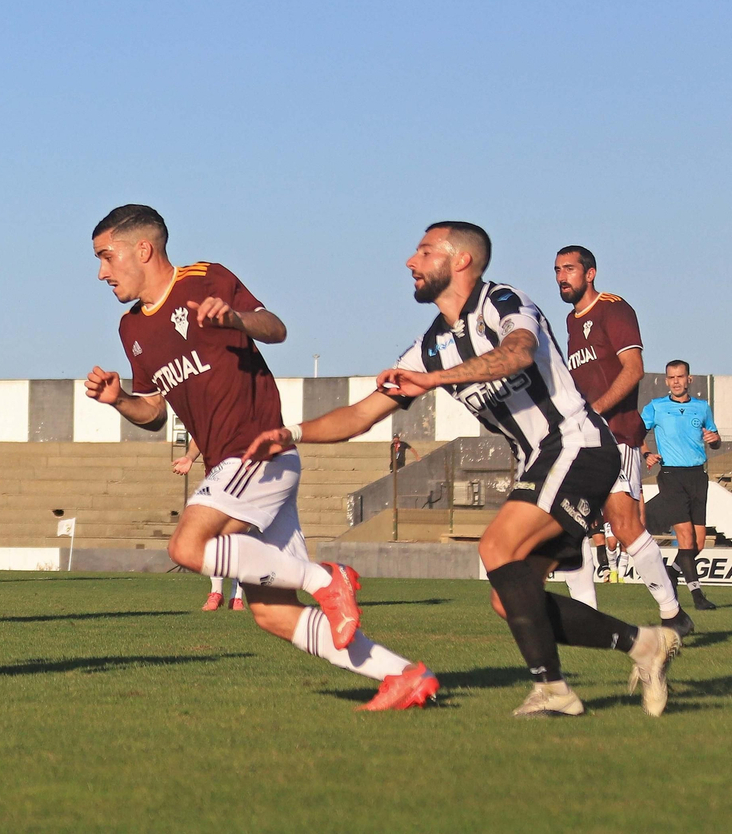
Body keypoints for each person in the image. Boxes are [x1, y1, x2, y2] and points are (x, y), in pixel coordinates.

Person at [249, 222, 679, 717]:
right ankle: (645, 644)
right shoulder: (429, 346)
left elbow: (516, 352)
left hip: (578, 445)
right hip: (542, 459)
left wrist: (430, 381)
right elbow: (361, 414)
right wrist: (291, 433)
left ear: (460, 261)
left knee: (495, 547)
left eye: (424, 251)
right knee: (511, 601)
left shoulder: (502, 303)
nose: (410, 262)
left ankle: (554, 690)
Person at [87, 204, 435, 711]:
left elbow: (275, 327)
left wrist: (236, 319)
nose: (101, 272)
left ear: (143, 249)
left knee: (188, 547)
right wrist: (119, 400)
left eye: (106, 256)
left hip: (255, 449)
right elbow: (156, 415)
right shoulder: (132, 329)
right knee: (271, 613)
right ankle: (402, 675)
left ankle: (327, 579)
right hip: (235, 467)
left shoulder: (205, 278)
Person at [554, 245, 691, 632]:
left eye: (569, 269)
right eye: (557, 270)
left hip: (615, 434)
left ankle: (672, 613)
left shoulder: (614, 309)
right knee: (572, 523)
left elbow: (634, 370)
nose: (562, 277)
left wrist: (595, 410)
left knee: (625, 525)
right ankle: (589, 621)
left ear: (590, 273)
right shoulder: (569, 320)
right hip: (583, 437)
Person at [642, 360, 722, 611]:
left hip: (698, 476)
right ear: (666, 381)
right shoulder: (656, 407)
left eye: (680, 376)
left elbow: (715, 439)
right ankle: (697, 596)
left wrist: (715, 439)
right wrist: (647, 454)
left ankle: (670, 572)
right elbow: (634, 434)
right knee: (685, 538)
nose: (676, 381)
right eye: (671, 377)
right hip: (671, 475)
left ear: (689, 379)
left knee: (697, 543)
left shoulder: (702, 407)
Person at [173, 437, 244, 610]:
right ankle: (216, 592)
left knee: (240, 542)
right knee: (214, 541)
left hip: (245, 484)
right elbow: (199, 438)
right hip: (216, 485)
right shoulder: (212, 416)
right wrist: (190, 457)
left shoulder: (248, 416)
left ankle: (237, 596)